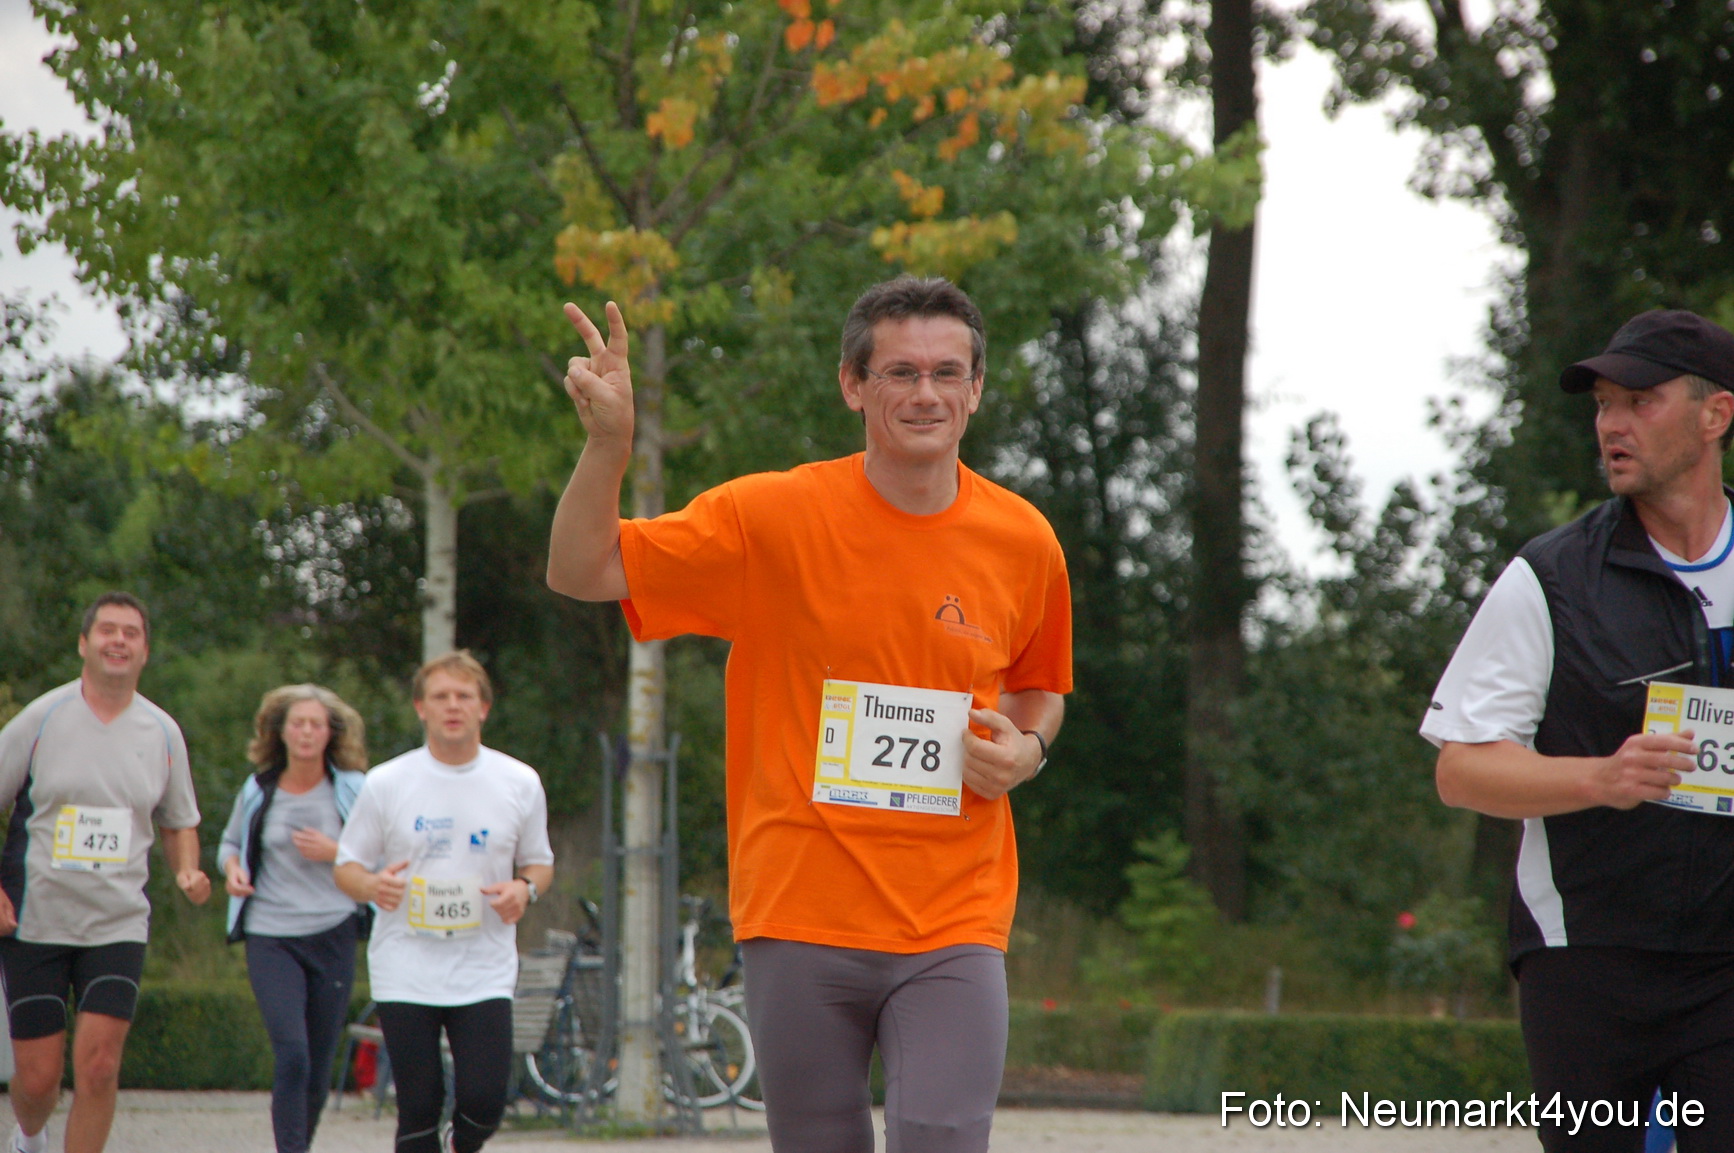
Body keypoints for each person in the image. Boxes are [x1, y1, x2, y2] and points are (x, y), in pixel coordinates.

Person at [546, 275, 1071, 1152]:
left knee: (942, 1135)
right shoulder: (770, 517)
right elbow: (581, 570)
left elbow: (1038, 689)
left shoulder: (1024, 541)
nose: (926, 393)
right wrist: (610, 446)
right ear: (852, 384)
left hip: (954, 916)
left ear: (977, 388)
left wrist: (1026, 749)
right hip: (799, 912)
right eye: (900, 372)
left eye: (948, 372)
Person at [1423, 308, 1734, 1151]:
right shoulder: (1549, 577)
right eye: (1602, 404)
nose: (1611, 425)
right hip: (1588, 957)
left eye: (1638, 400)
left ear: (1717, 416)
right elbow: (1461, 768)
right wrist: (1600, 778)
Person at [0, 592, 209, 1153]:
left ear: (144, 651)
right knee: (39, 1079)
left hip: (117, 923)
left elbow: (178, 821)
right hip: (36, 919)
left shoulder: (162, 732)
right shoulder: (41, 719)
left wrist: (187, 871)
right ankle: (30, 1134)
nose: (119, 640)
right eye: (107, 631)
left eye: (131, 633)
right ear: (84, 644)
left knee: (98, 1067)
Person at [333, 652, 553, 1153]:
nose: (452, 706)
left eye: (464, 696)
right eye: (440, 697)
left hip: (484, 964)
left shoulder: (518, 782)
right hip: (405, 963)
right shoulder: (387, 782)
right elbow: (346, 867)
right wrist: (370, 887)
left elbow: (540, 862)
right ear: (420, 708)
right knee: (417, 1105)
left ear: (483, 709)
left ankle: (461, 1142)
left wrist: (525, 889)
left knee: (485, 1100)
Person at [218, 685, 370, 1153]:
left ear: (330, 734)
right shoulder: (258, 788)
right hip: (271, 935)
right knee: (293, 1055)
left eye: (315, 724)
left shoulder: (355, 789)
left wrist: (335, 852)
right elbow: (228, 844)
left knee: (320, 1066)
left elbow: (380, 855)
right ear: (280, 732)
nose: (306, 732)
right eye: (297, 723)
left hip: (334, 932)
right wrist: (232, 871)